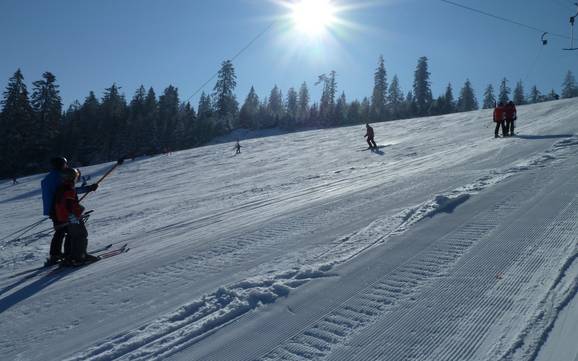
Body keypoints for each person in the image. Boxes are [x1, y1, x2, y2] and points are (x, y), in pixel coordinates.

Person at [41, 157, 97, 265]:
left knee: (60, 232)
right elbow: (69, 191)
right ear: (62, 164)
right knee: (71, 232)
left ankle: (56, 254)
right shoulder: (60, 176)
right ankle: (71, 255)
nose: (66, 166)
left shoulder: (47, 178)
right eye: (65, 164)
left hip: (53, 210)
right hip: (61, 209)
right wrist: (88, 189)